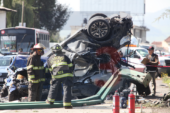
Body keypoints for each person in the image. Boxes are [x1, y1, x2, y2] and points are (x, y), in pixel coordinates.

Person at [46, 44, 74, 109]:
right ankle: (67, 105)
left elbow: (50, 69)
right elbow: (70, 66)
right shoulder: (65, 56)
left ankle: (50, 101)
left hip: (56, 75)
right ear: (60, 50)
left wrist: (53, 76)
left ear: (53, 51)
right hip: (66, 75)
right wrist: (70, 74)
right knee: (67, 88)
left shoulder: (50, 58)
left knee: (53, 87)